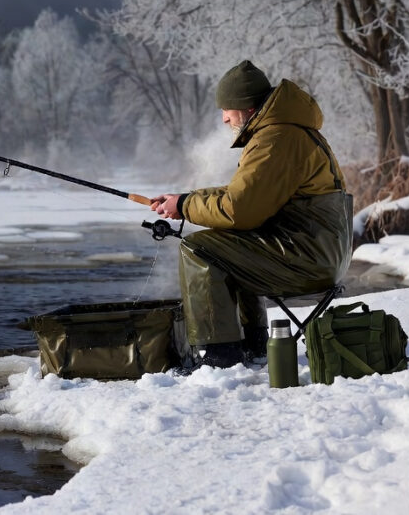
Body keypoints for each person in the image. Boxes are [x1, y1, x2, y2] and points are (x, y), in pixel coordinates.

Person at [150, 61, 353, 369]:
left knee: (198, 249)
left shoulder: (276, 139)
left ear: (246, 107)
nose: (224, 118)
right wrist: (186, 200)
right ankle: (253, 343)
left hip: (309, 257)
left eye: (226, 109)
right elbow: (245, 195)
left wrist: (185, 206)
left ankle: (218, 357)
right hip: (317, 251)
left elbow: (239, 211)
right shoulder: (285, 132)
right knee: (234, 243)